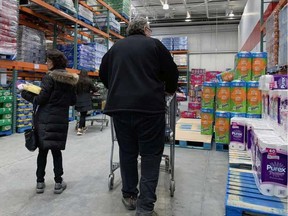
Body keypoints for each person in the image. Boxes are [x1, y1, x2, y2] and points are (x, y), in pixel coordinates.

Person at [99, 17, 179, 216]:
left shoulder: (115, 49)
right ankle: (145, 208)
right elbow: (172, 73)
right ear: (145, 29)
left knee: (127, 153)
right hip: (149, 109)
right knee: (151, 156)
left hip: (120, 109)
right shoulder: (154, 46)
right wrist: (167, 90)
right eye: (149, 29)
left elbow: (103, 74)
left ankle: (129, 195)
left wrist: (118, 90)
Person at [20, 49, 78, 194]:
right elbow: (72, 101)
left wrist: (25, 92)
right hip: (60, 120)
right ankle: (58, 183)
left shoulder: (49, 78)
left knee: (43, 152)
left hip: (45, 120)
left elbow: (40, 99)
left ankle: (40, 182)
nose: (46, 63)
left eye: (48, 61)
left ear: (54, 62)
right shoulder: (70, 79)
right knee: (56, 152)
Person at [75, 70, 99, 135]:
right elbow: (94, 89)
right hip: (86, 100)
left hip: (78, 100)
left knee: (82, 113)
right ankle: (79, 129)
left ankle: (83, 126)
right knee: (83, 114)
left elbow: (74, 91)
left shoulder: (77, 81)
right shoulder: (89, 81)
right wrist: (97, 88)